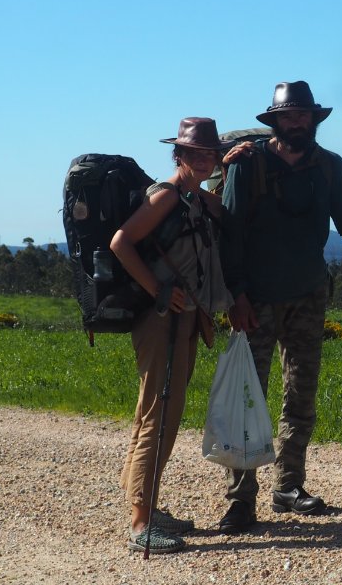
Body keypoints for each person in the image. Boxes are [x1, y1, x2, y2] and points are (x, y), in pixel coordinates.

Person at [218, 80, 342, 534]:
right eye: (288, 115)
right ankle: (240, 500)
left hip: (308, 296)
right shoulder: (248, 164)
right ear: (275, 121)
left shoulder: (329, 166)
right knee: (247, 398)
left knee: (300, 396)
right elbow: (231, 234)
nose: (297, 122)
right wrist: (235, 294)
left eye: (303, 115)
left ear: (314, 119)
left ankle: (288, 487)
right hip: (253, 300)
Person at [110, 117, 236, 553]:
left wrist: (231, 167)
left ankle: (142, 507)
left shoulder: (196, 199)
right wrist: (159, 290)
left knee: (156, 412)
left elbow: (226, 215)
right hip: (161, 318)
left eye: (211, 154)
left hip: (183, 318)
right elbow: (121, 242)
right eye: (196, 153)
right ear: (178, 155)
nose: (205, 160)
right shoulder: (165, 196)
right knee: (160, 416)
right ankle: (141, 523)